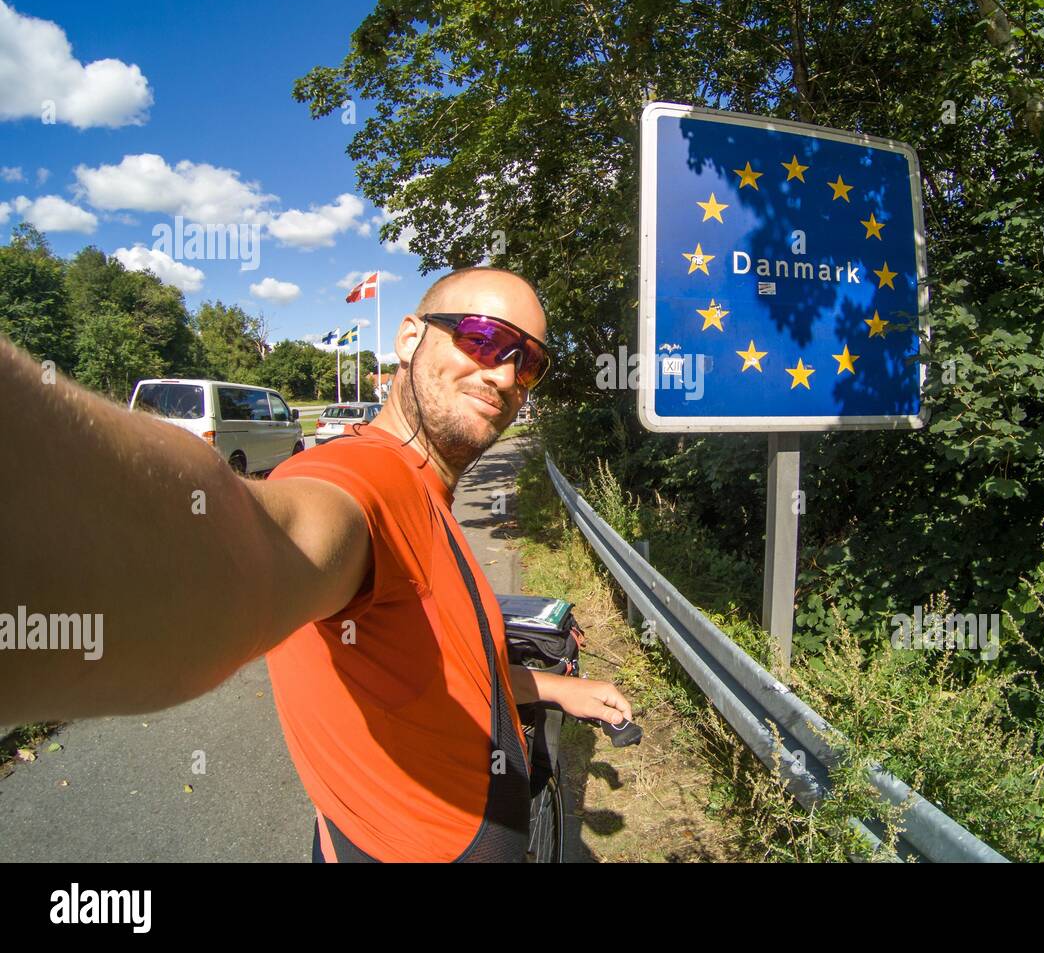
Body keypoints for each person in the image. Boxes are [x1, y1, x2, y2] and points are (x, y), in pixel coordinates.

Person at [0, 266, 632, 862]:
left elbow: (444, 676)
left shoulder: (431, 493)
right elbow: (256, 541)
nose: (504, 375)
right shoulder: (366, 477)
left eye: (530, 364)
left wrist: (551, 688)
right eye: (484, 339)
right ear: (411, 338)